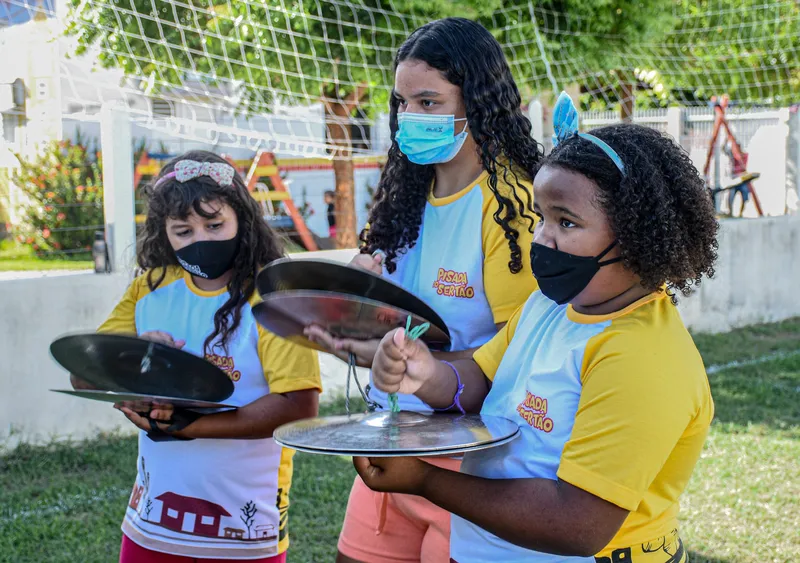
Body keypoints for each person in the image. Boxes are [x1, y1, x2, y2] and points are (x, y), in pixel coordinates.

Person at [358, 95, 719, 563]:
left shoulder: (640, 356)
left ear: (636, 236)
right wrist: (426, 375)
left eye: (565, 222)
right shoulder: (547, 306)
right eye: (541, 217)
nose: (541, 239)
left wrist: (426, 480)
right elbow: (482, 379)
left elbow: (578, 524)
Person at [304, 17, 543, 563]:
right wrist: (355, 321)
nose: (411, 117)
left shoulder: (513, 208)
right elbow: (400, 323)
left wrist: (416, 365)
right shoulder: (405, 196)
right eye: (402, 103)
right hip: (390, 443)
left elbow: (521, 353)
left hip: (470, 465)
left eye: (430, 102)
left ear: (478, 102)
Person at [71, 151, 322, 562]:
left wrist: (192, 427)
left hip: (244, 528)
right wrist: (130, 365)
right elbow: (84, 374)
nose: (200, 240)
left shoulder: (275, 296)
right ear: (163, 233)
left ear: (243, 217)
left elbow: (299, 406)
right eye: (183, 230)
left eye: (214, 224)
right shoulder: (148, 290)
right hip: (150, 526)